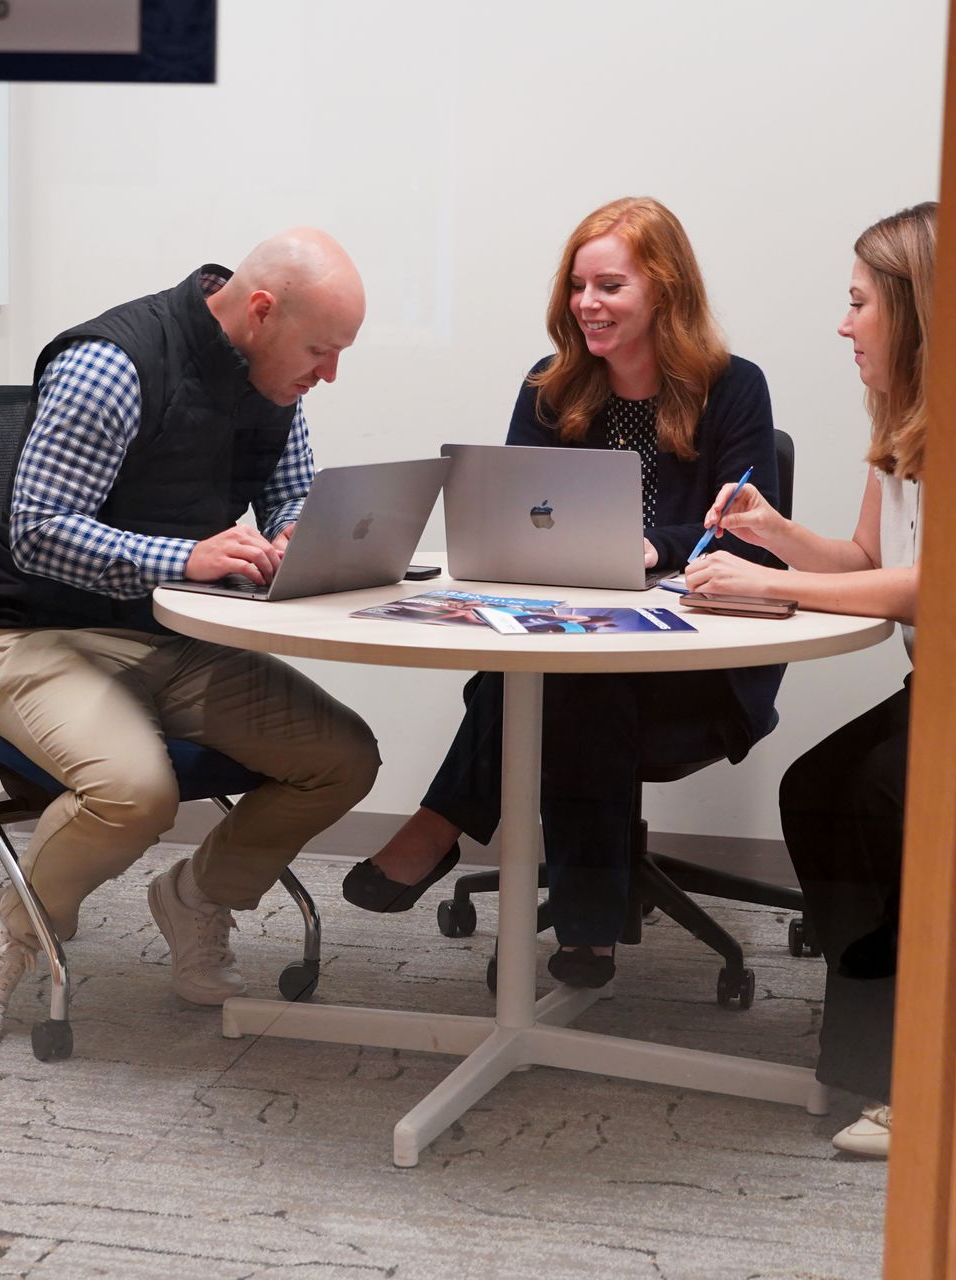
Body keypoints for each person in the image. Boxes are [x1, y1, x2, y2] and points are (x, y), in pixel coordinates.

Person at [0, 230, 383, 1045]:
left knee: (343, 758)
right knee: (136, 792)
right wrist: (185, 556)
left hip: (175, 640)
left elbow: (290, 502)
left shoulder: (274, 390)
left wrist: (295, 542)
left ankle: (196, 897)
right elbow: (37, 532)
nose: (329, 374)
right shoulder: (113, 365)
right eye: (321, 350)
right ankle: (11, 917)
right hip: (39, 638)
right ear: (260, 312)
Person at [341, 197, 785, 990]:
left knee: (552, 685)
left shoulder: (733, 389)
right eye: (578, 285)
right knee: (569, 679)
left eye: (610, 286)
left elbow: (751, 533)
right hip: (575, 649)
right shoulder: (550, 389)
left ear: (665, 291)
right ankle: (586, 923)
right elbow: (515, 522)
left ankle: (442, 827)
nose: (587, 304)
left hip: (699, 667)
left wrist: (658, 547)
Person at [686, 201, 936, 1159]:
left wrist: (771, 584)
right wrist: (775, 533)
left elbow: (936, 584)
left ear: (912, 312)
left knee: (874, 797)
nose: (844, 325)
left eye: (858, 303)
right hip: (938, 689)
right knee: (820, 791)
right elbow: (870, 554)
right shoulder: (903, 423)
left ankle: (922, 1077)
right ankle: (868, 1056)